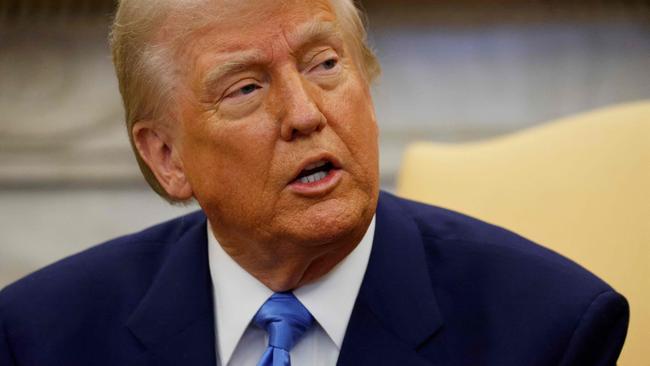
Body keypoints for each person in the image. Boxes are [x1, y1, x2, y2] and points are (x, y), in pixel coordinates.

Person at [0, 0, 629, 365]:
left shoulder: (550, 330)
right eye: (246, 87)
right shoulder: (39, 336)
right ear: (167, 156)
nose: (306, 114)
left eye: (325, 64)